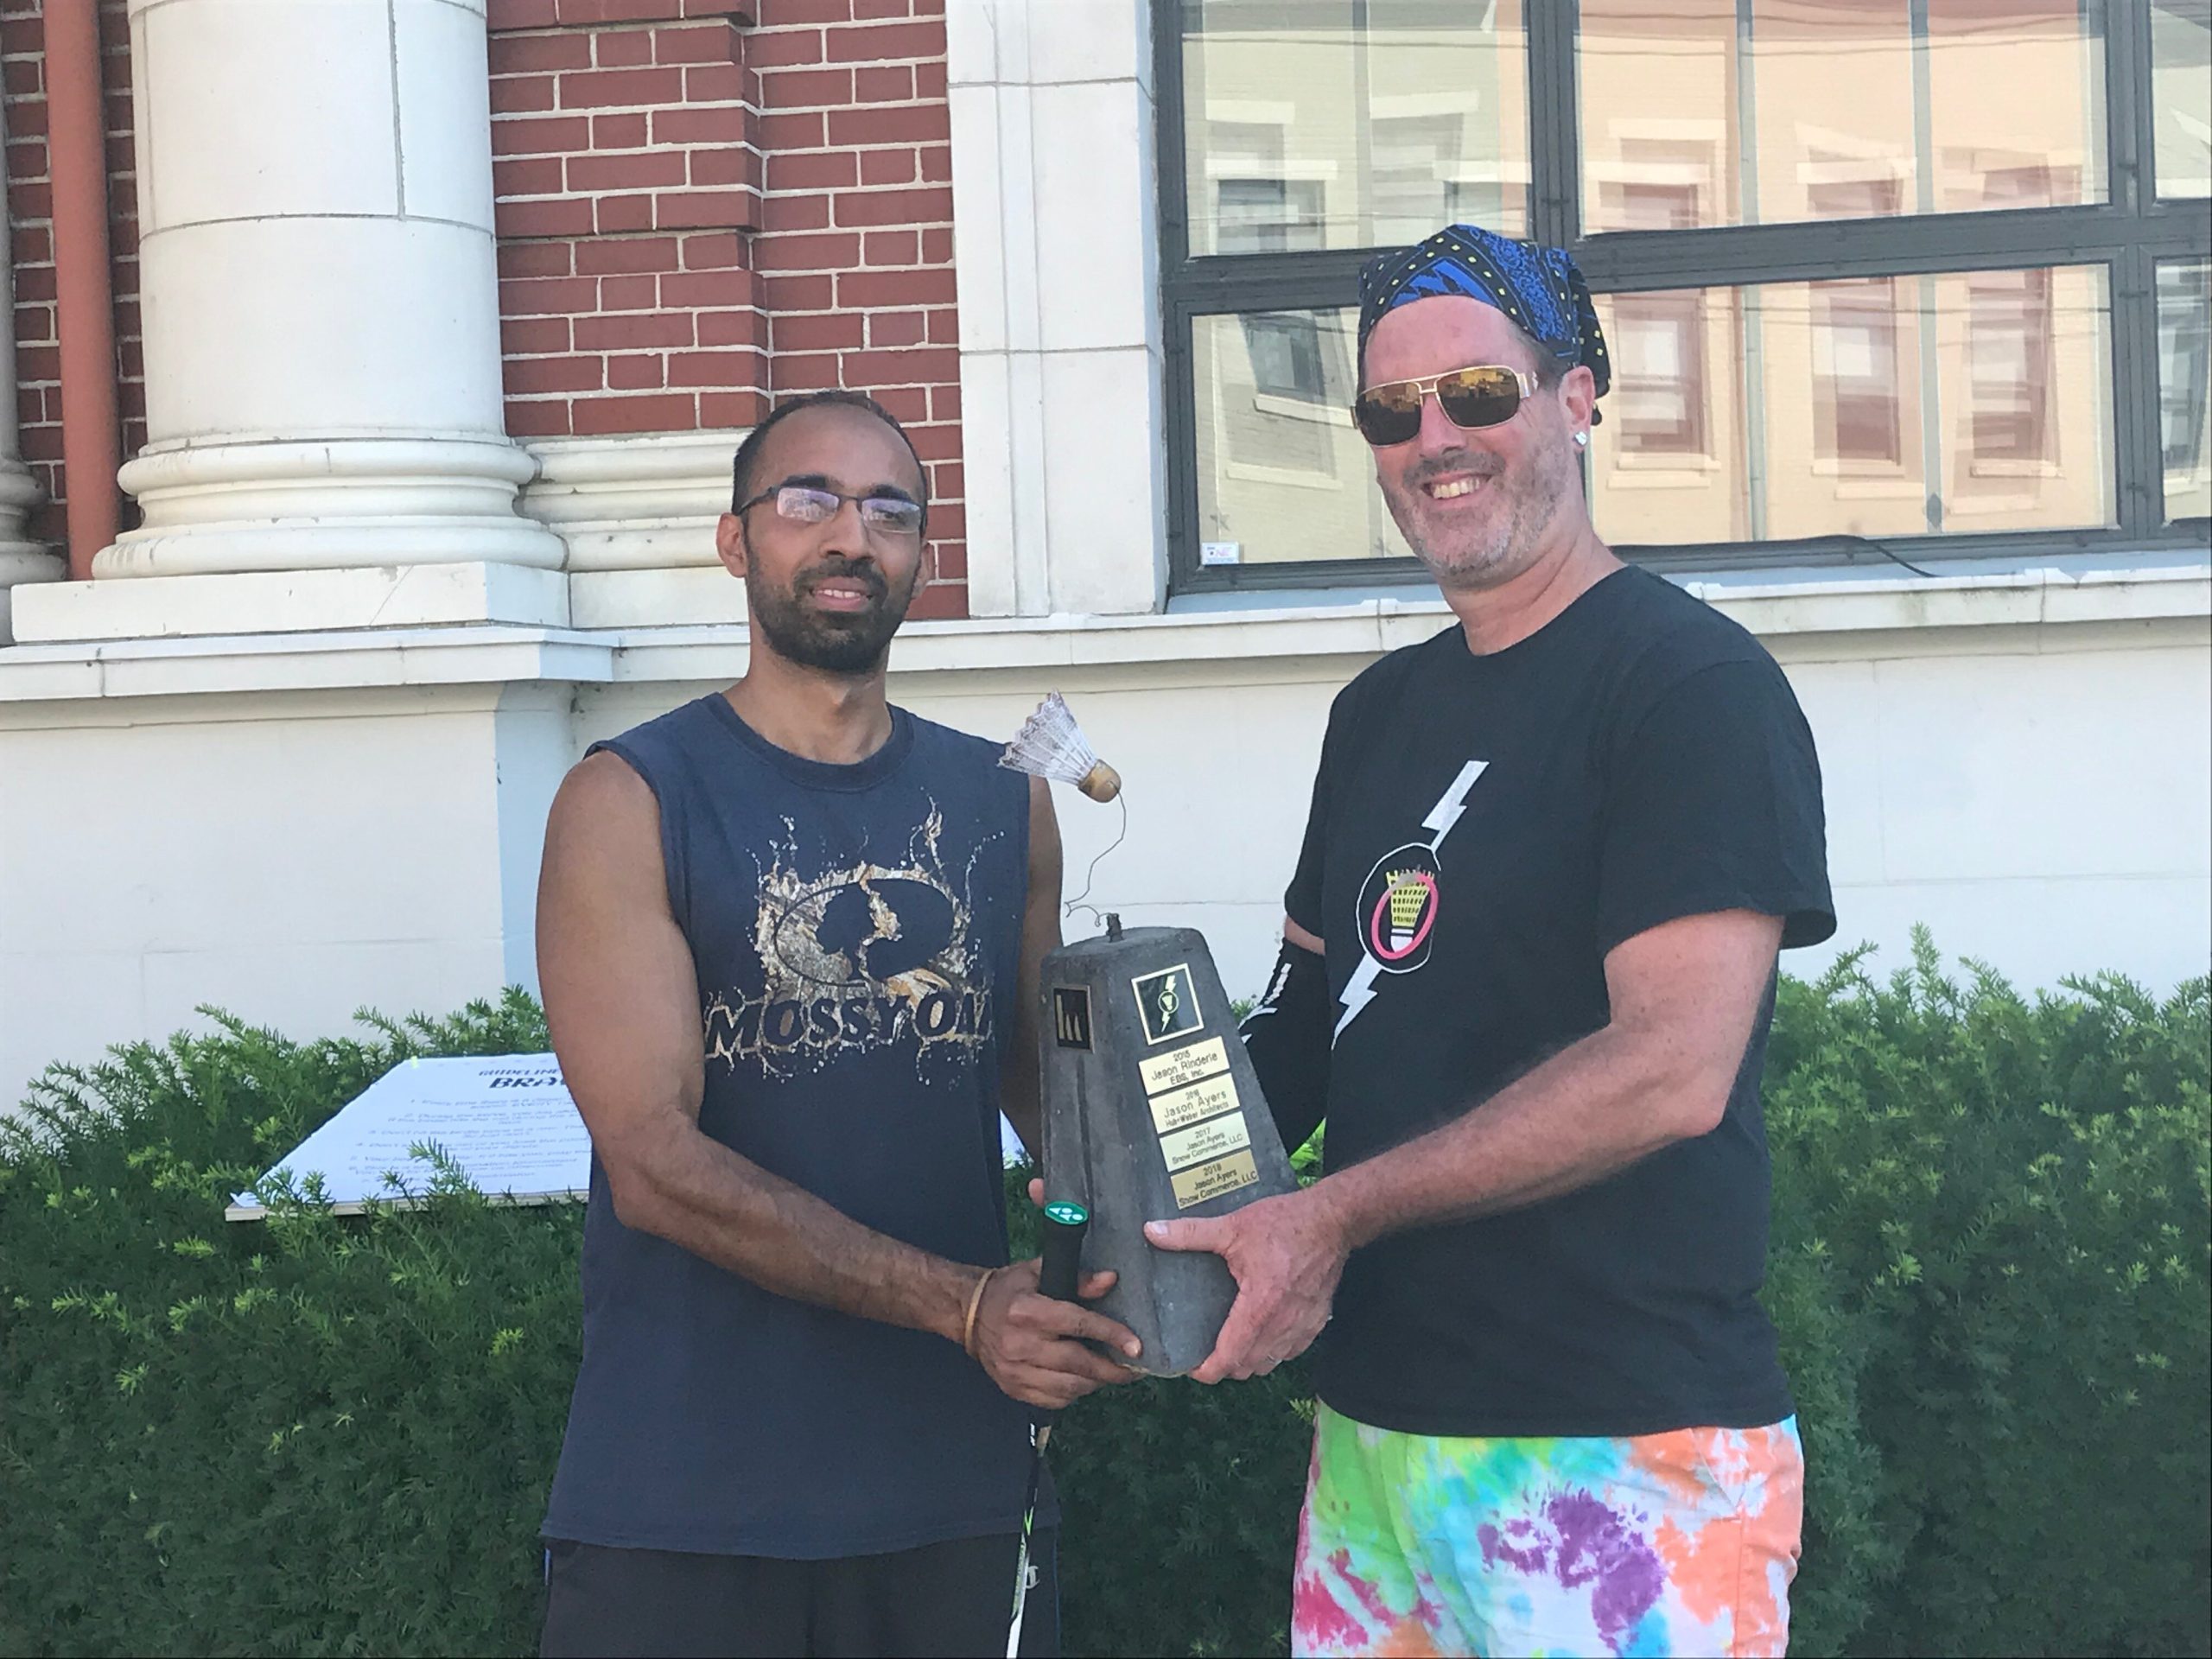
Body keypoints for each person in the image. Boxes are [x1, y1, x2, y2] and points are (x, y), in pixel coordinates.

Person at [1147, 226, 1836, 1658]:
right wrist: (1109, 1164)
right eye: (1392, 413)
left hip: (1621, 1455)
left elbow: (1670, 1070)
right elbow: (1299, 1030)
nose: (1433, 440)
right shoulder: (1377, 716)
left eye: (1476, 393)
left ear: (1576, 397)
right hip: (1377, 1442)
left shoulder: (1691, 687)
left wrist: (1325, 1216)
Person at [532, 388, 1141, 1657]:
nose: (849, 537)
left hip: (949, 1487)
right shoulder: (629, 797)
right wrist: (962, 1306)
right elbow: (651, 1161)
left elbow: (1044, 1090)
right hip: (689, 1497)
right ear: (736, 539)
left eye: (888, 510)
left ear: (921, 553)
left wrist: (1176, 1230)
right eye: (807, 499)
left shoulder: (1006, 802)